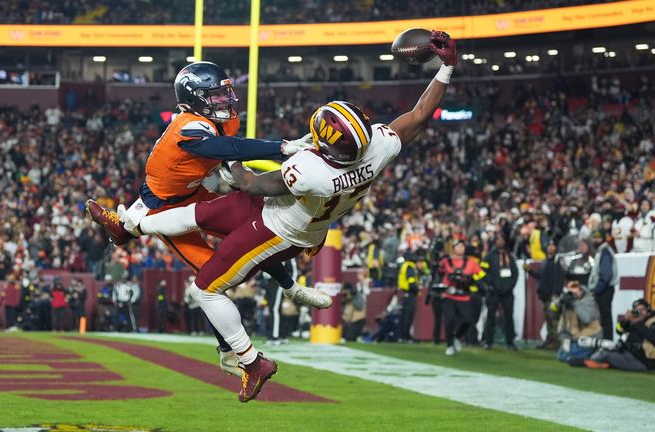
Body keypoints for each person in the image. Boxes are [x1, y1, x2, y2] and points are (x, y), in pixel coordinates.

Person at [129, 30, 458, 401]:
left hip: (279, 230)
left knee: (205, 289)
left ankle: (251, 361)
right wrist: (445, 68)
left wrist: (229, 157)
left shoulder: (310, 171)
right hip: (304, 219)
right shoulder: (377, 148)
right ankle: (132, 224)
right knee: (197, 213)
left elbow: (249, 184)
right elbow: (418, 115)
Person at [86, 61, 323, 376]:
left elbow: (231, 152)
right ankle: (229, 353)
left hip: (195, 194)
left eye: (224, 93)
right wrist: (280, 148)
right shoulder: (189, 125)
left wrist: (236, 170)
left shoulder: (223, 120)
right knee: (212, 281)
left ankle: (289, 286)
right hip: (166, 208)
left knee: (254, 230)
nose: (224, 101)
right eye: (214, 96)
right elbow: (229, 146)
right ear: (194, 99)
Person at [438, 239, 486, 355]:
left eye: (462, 246)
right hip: (449, 294)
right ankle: (449, 345)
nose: (460, 248)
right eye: (457, 246)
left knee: (468, 320)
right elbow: (438, 273)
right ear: (453, 248)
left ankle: (457, 337)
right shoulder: (446, 261)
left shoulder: (471, 262)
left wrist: (471, 280)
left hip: (464, 295)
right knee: (449, 320)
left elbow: (481, 276)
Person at [582, 299, 655, 371]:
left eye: (642, 309)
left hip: (644, 362)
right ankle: (590, 362)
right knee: (604, 350)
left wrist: (638, 323)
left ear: (648, 310)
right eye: (636, 310)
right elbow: (619, 331)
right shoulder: (636, 320)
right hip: (630, 354)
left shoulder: (651, 321)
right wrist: (625, 320)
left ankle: (583, 363)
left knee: (606, 355)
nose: (640, 312)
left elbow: (652, 337)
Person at [524, 241, 565, 349]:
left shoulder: (557, 262)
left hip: (552, 296)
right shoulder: (545, 262)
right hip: (544, 296)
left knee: (554, 319)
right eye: (549, 245)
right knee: (548, 319)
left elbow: (559, 279)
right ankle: (550, 339)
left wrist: (556, 294)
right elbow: (540, 276)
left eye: (552, 245)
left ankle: (556, 342)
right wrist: (529, 271)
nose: (550, 247)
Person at [481, 234, 519, 350]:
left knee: (509, 317)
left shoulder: (510, 256)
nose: (501, 241)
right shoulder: (489, 257)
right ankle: (488, 341)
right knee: (491, 316)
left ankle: (510, 342)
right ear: (495, 242)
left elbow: (515, 273)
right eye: (498, 239)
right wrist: (491, 284)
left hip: (507, 292)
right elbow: (482, 272)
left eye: (502, 239)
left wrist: (510, 286)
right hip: (494, 292)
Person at [552, 280, 602, 363]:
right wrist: (561, 300)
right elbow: (553, 308)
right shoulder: (567, 302)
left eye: (576, 291)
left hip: (590, 337)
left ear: (581, 290)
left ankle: (594, 354)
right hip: (575, 338)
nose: (573, 295)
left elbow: (587, 319)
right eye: (571, 292)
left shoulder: (589, 301)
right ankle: (587, 355)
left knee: (566, 356)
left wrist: (575, 303)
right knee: (561, 355)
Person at [589, 230, 618, 340]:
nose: (595, 240)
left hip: (604, 290)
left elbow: (606, 275)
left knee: (605, 317)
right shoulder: (602, 251)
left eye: (598, 238)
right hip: (604, 289)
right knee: (604, 317)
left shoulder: (605, 252)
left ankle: (607, 342)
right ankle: (605, 341)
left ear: (603, 238)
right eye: (594, 237)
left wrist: (597, 290)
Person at [397, 250, 422, 343]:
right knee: (408, 316)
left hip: (404, 293)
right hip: (409, 294)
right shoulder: (410, 267)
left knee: (403, 316)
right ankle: (406, 337)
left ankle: (402, 336)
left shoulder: (403, 265)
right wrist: (417, 291)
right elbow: (411, 282)